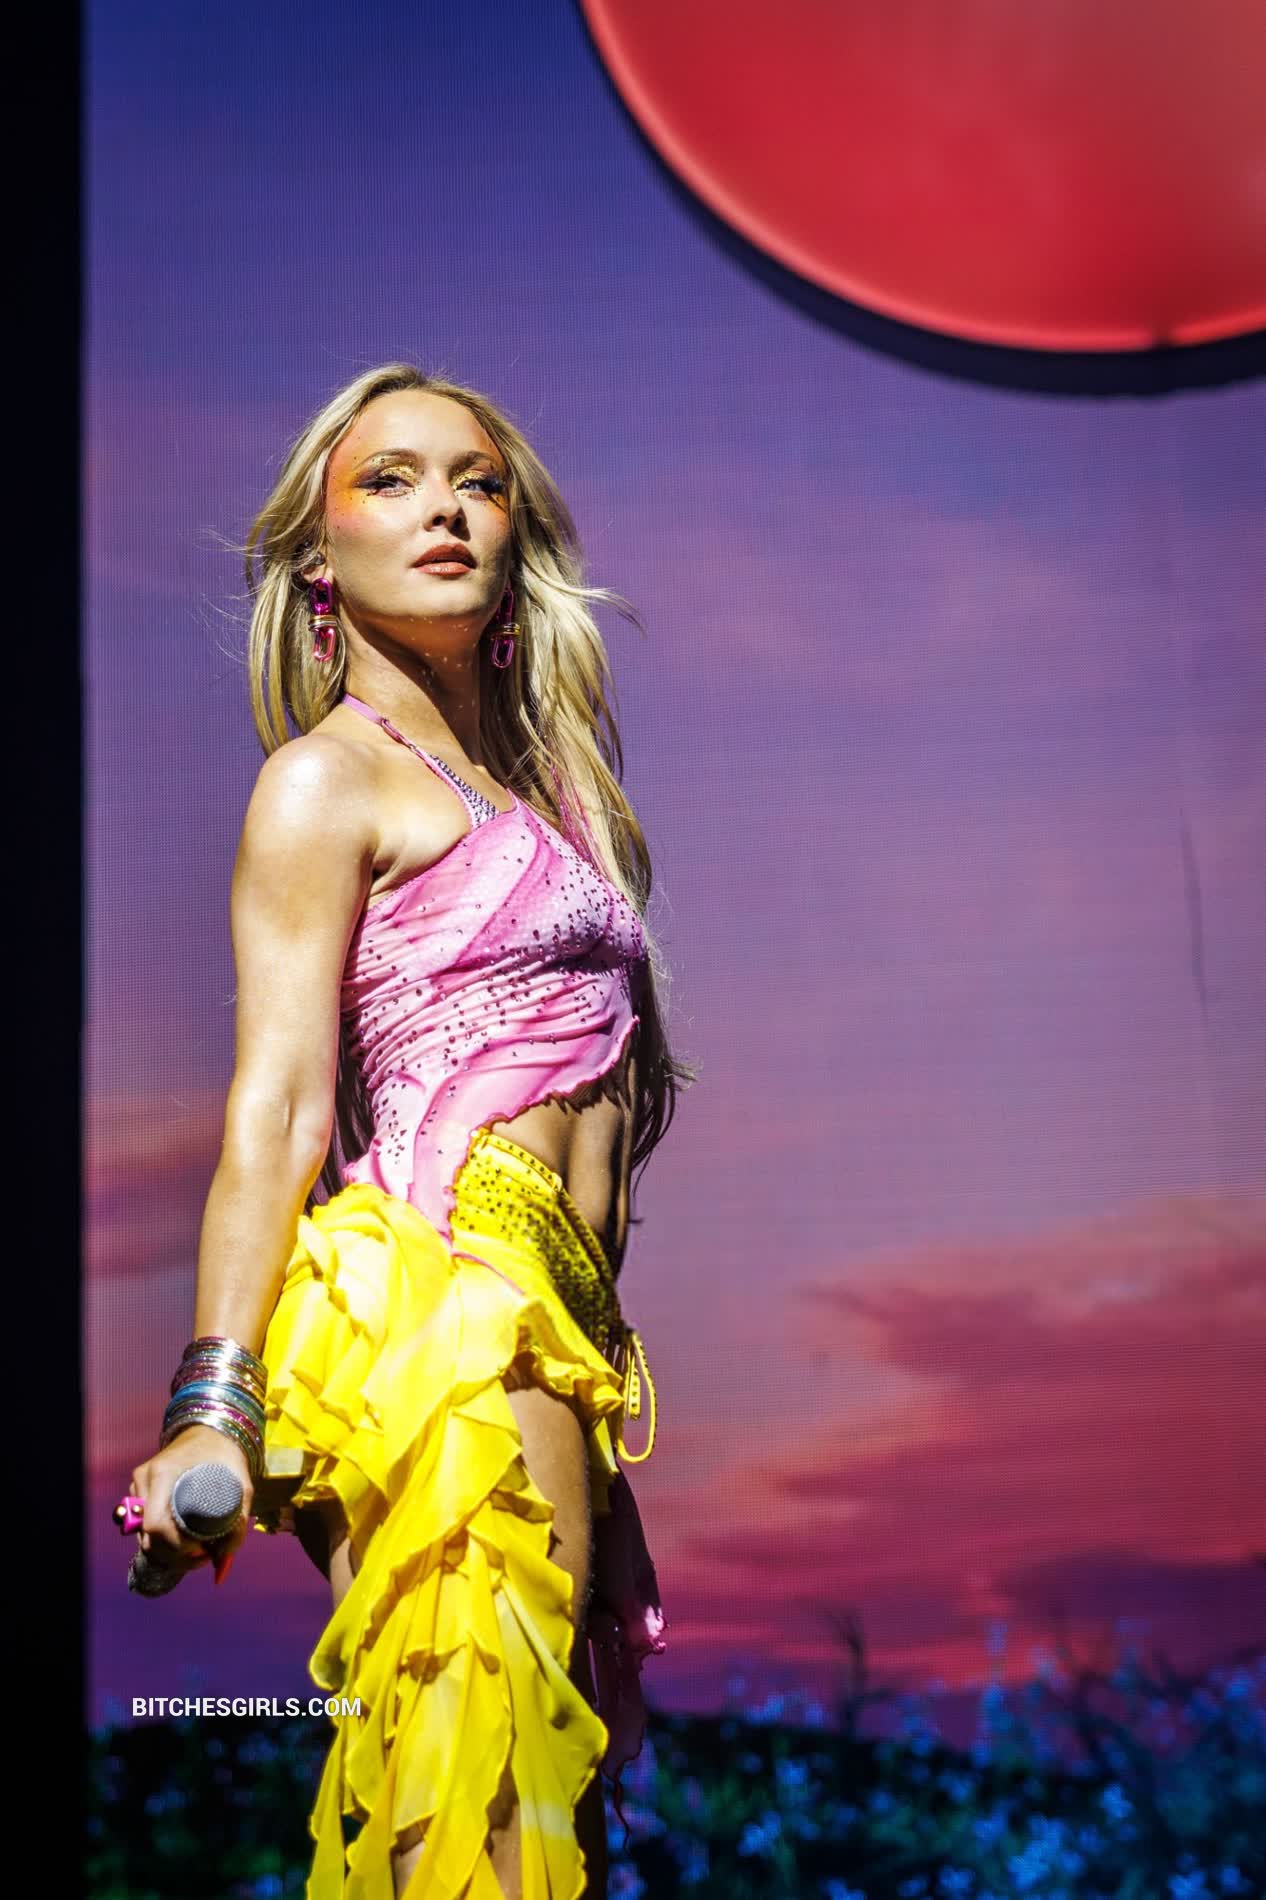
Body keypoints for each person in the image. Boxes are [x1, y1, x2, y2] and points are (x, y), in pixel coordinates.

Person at [123, 364, 695, 1899]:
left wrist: (603, 1434)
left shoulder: (546, 792)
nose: (442, 508)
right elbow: (278, 1108)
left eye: (476, 481)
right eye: (389, 479)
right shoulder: (324, 782)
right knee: (485, 1803)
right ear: (319, 552)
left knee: (527, 1803)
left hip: (550, 1324)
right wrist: (216, 1404)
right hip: (444, 1308)